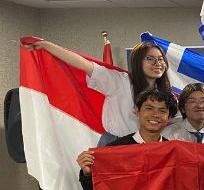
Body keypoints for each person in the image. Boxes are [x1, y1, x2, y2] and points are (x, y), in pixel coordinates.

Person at [24, 39, 171, 138]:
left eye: (160, 59)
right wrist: (47, 45)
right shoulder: (120, 81)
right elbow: (83, 64)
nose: (157, 63)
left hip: (146, 146)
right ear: (138, 62)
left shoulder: (164, 93)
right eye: (150, 59)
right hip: (116, 144)